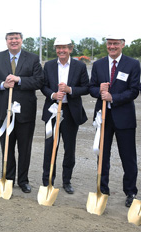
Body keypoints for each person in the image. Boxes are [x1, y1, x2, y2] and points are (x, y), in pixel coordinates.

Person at [0, 30, 44, 193]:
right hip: (4, 111)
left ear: (21, 41)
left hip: (25, 111)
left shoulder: (32, 58)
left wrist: (19, 80)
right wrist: (3, 85)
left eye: (16, 38)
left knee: (25, 148)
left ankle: (23, 180)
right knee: (7, 146)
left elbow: (39, 80)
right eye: (10, 38)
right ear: (6, 41)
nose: (14, 41)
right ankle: (8, 178)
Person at [89, 35, 140, 207]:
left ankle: (131, 191)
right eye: (109, 43)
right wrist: (99, 91)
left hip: (124, 118)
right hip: (103, 118)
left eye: (115, 44)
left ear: (122, 45)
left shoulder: (132, 64)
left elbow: (134, 91)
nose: (112, 46)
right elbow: (92, 88)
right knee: (102, 156)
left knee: (128, 157)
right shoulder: (98, 64)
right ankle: (102, 189)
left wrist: (113, 97)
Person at [41, 37, 89, 194]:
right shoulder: (48, 66)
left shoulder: (80, 66)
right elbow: (43, 86)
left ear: (71, 48)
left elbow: (86, 88)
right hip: (53, 111)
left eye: (64, 47)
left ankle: (67, 180)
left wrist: (70, 90)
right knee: (50, 147)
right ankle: (47, 180)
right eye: (58, 48)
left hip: (70, 112)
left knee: (69, 148)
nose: (61, 50)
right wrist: (53, 95)